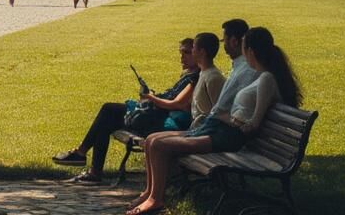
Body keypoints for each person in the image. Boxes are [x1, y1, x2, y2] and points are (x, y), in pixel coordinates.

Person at [126, 25, 300, 215]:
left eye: (243, 47)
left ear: (250, 50)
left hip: (229, 136)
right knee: (152, 140)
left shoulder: (266, 78)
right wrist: (225, 117)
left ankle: (155, 199)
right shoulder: (262, 76)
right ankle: (149, 193)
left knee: (158, 145)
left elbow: (251, 125)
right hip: (222, 130)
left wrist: (229, 119)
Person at [53, 38, 201, 183]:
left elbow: (177, 104)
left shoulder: (194, 79)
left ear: (197, 53)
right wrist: (152, 97)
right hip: (159, 116)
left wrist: (151, 98)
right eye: (181, 53)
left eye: (187, 53)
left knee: (108, 111)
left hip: (164, 122)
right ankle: (91, 167)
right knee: (108, 117)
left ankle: (85, 158)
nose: (182, 57)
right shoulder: (188, 76)